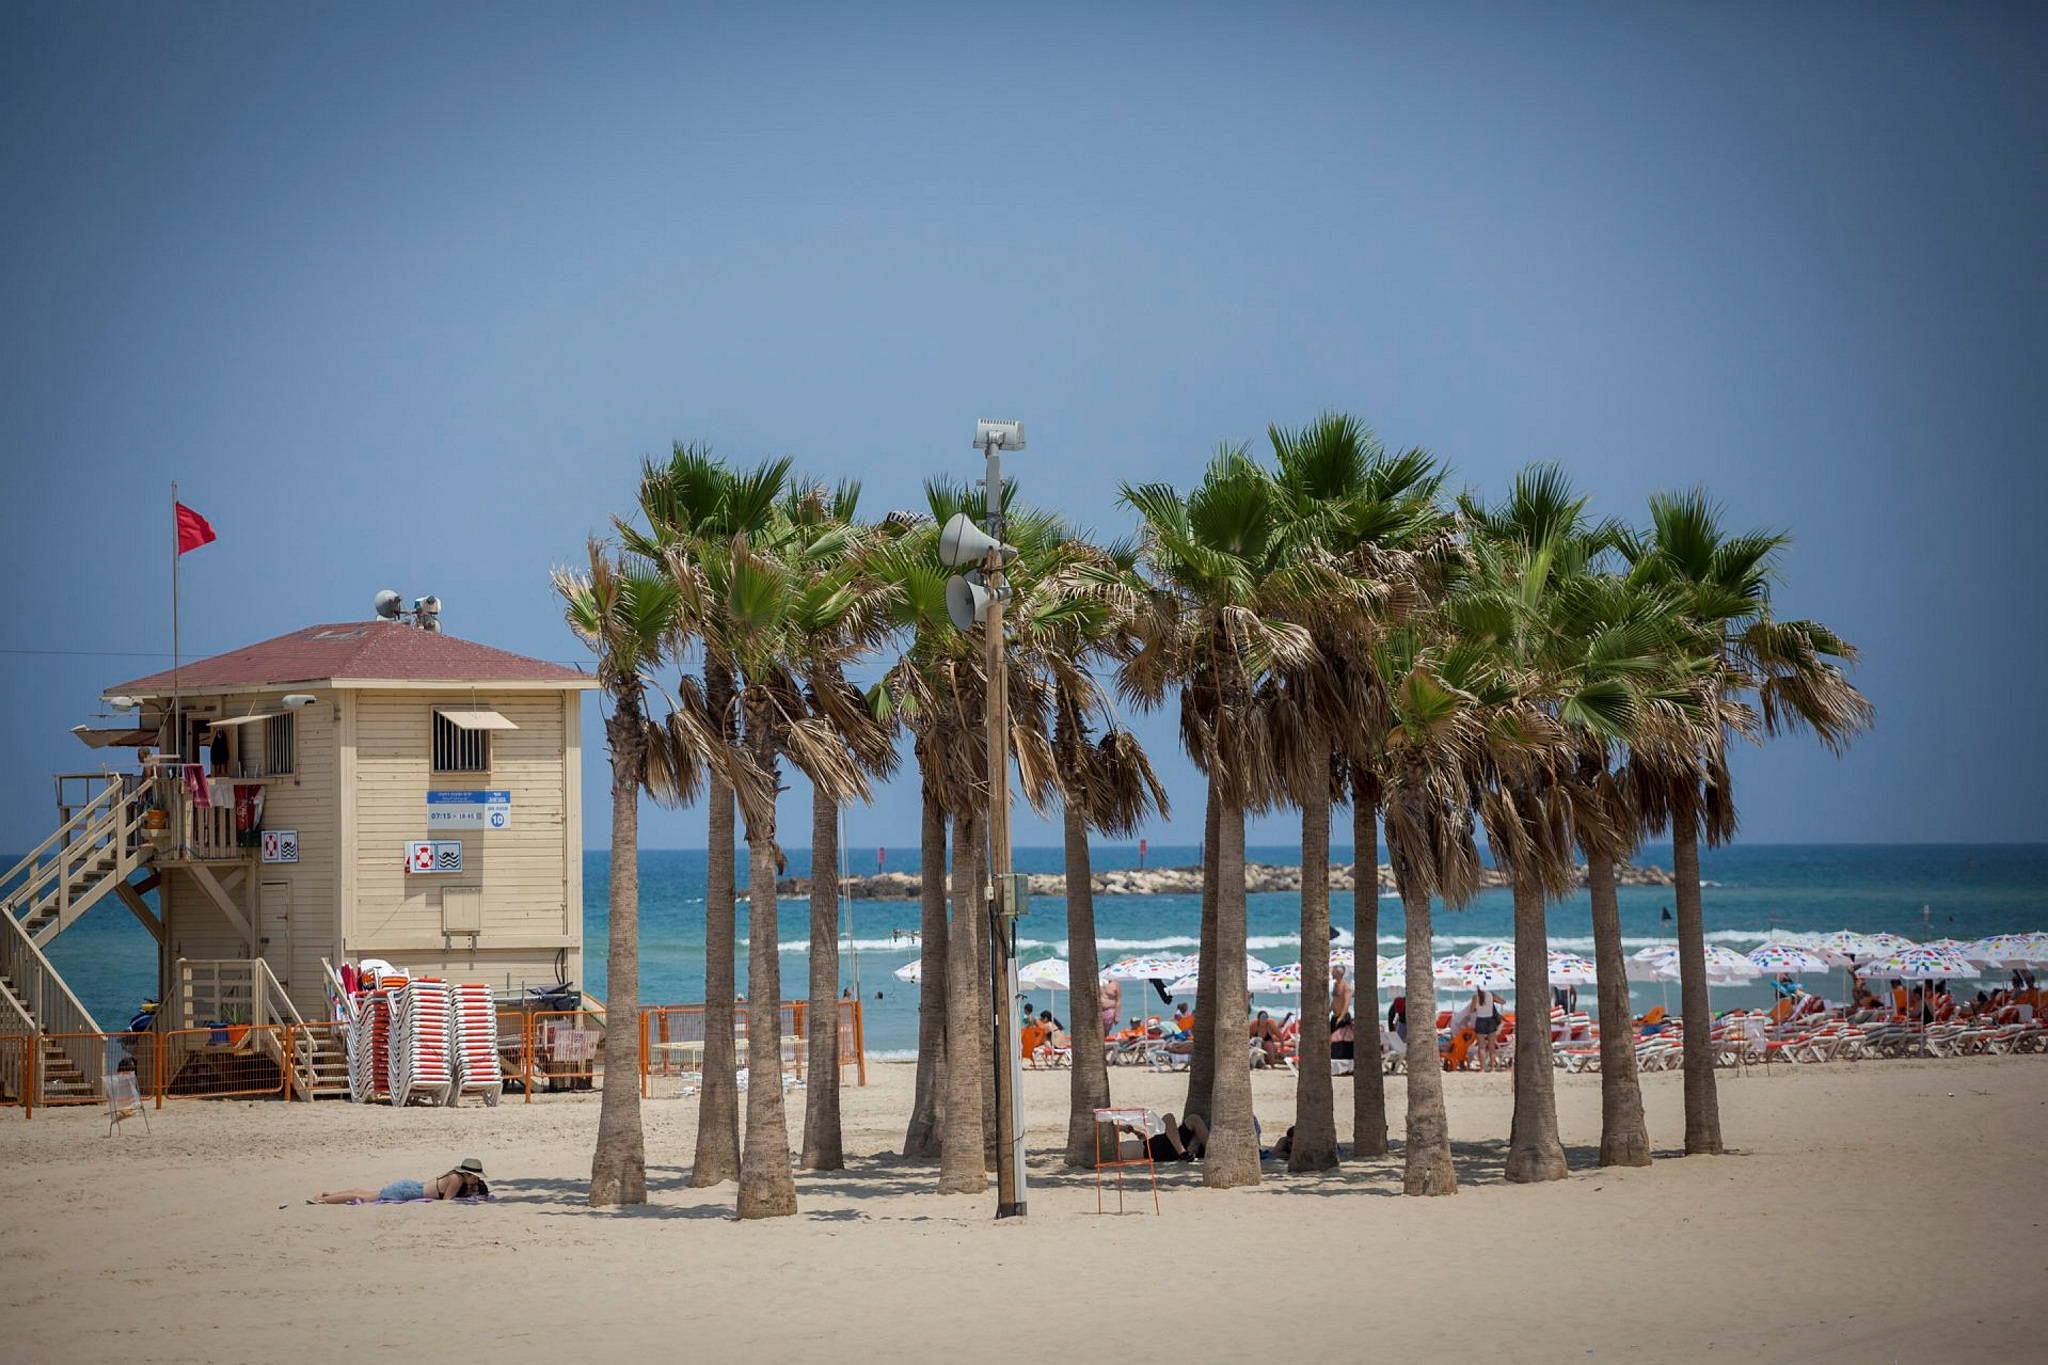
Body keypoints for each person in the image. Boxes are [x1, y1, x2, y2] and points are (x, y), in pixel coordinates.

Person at [312, 1157, 489, 1204]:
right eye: (475, 1178)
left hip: (411, 1187)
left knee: (361, 1192)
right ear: (466, 1174)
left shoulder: (453, 1175)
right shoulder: (457, 1179)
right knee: (362, 1197)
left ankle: (329, 1195)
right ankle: (324, 1200)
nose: (475, 1181)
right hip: (409, 1192)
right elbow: (446, 1201)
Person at [1116, 1112, 1210, 1164]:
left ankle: (1212, 1152)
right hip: (1155, 1150)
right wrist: (1122, 1128)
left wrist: (1141, 1138)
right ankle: (1183, 1153)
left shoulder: (1115, 1147)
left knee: (1193, 1119)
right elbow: (1108, 1130)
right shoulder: (1111, 1150)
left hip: (1158, 1147)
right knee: (1169, 1117)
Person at [1469, 989, 1504, 1071]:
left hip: (1480, 1020)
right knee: (1491, 1046)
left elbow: (1471, 1010)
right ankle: (1492, 1068)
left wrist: (1477, 1008)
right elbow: (1503, 1002)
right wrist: (1493, 1000)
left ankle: (1482, 1068)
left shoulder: (1476, 997)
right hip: (1490, 1020)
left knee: (1481, 1047)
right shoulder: (1491, 995)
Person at [1330, 964, 1353, 1032]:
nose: (1332, 973)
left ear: (1339, 973)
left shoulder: (1345, 986)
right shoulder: (1335, 984)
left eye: (1334, 971)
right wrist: (1329, 1010)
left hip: (1343, 1017)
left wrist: (1341, 1017)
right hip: (1335, 1016)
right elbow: (1334, 1000)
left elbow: (1347, 1003)